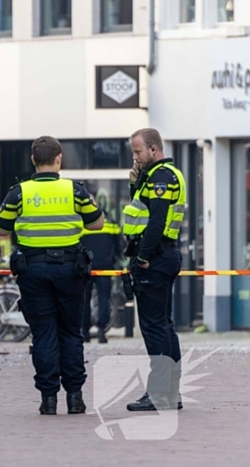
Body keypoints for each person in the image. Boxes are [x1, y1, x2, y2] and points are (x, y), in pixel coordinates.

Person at [0, 136, 104, 415]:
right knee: (71, 333)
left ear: (33, 160)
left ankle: (49, 399)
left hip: (33, 271)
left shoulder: (19, 192)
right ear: (59, 158)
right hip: (70, 270)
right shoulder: (75, 190)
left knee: (43, 334)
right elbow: (97, 223)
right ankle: (75, 398)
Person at [122, 128, 186, 412]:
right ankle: (171, 393)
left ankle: (159, 394)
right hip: (164, 256)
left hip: (156, 257)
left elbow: (156, 220)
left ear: (153, 150)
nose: (135, 157)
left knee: (154, 327)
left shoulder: (161, 176)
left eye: (138, 152)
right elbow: (142, 209)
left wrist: (144, 257)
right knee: (164, 325)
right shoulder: (159, 175)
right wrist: (135, 184)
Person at [80, 206, 124, 343]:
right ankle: (101, 331)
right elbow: (119, 246)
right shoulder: (111, 223)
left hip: (86, 267)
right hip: (105, 267)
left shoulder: (82, 224)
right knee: (104, 299)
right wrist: (116, 259)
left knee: (84, 299)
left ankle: (85, 332)